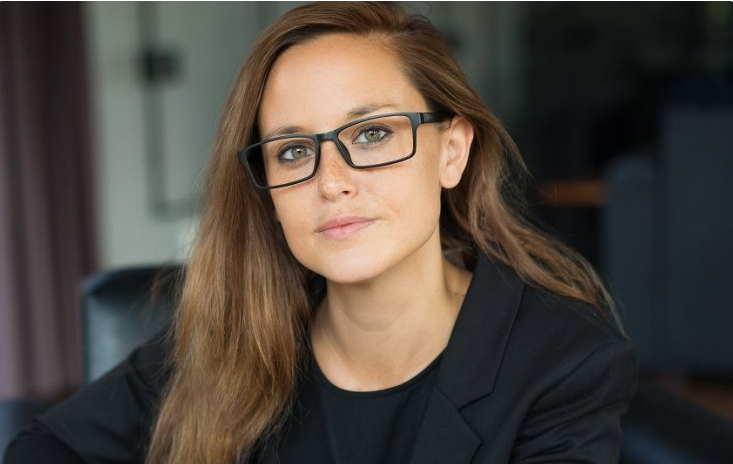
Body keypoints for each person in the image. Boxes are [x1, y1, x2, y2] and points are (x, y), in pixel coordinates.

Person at [4, 2, 638, 464]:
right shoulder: (231, 334)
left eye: (372, 133)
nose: (331, 182)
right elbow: (45, 447)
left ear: (452, 152)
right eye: (293, 150)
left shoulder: (565, 362)